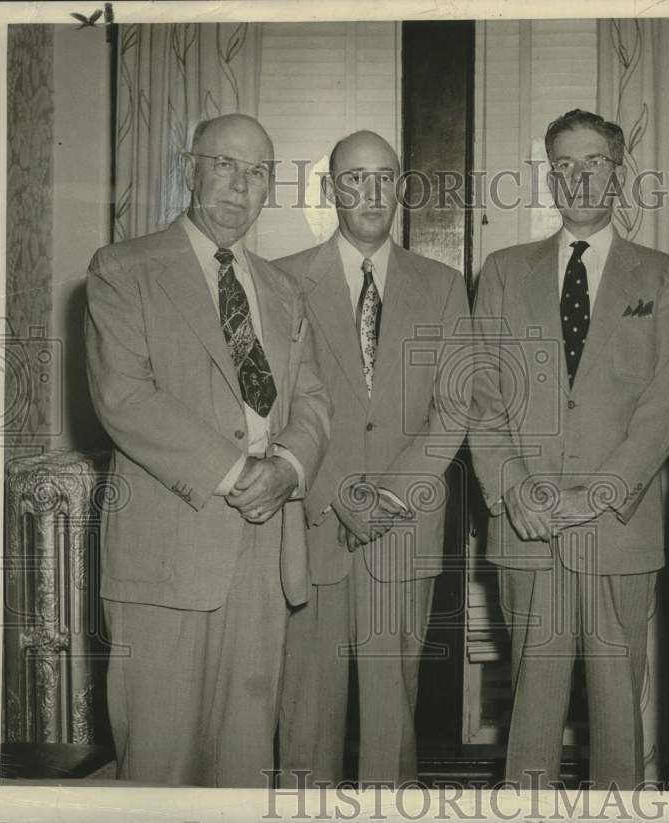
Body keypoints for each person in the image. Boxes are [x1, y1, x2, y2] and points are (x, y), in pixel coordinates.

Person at [85, 114, 332, 787]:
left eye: (257, 173)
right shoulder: (124, 269)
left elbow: (312, 400)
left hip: (265, 554)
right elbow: (125, 398)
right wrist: (238, 472)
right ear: (189, 168)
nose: (240, 186)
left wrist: (288, 466)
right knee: (161, 763)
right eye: (225, 164)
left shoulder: (284, 290)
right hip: (169, 552)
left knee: (245, 765)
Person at [469, 109, 669, 789]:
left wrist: (594, 495)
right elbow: (481, 397)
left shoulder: (667, 277)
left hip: (615, 529)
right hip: (527, 527)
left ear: (618, 172)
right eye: (563, 165)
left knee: (618, 717)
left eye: (592, 162)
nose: (578, 177)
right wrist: (514, 489)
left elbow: (662, 413)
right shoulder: (505, 271)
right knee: (530, 717)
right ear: (549, 176)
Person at [277, 130, 471, 786]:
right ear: (332, 189)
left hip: (402, 525)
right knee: (306, 715)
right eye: (353, 179)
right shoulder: (282, 281)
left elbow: (454, 407)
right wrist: (338, 494)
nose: (369, 192)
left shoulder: (442, 286)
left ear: (401, 187)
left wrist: (387, 496)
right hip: (314, 521)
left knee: (392, 716)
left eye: (383, 177)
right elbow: (279, 410)